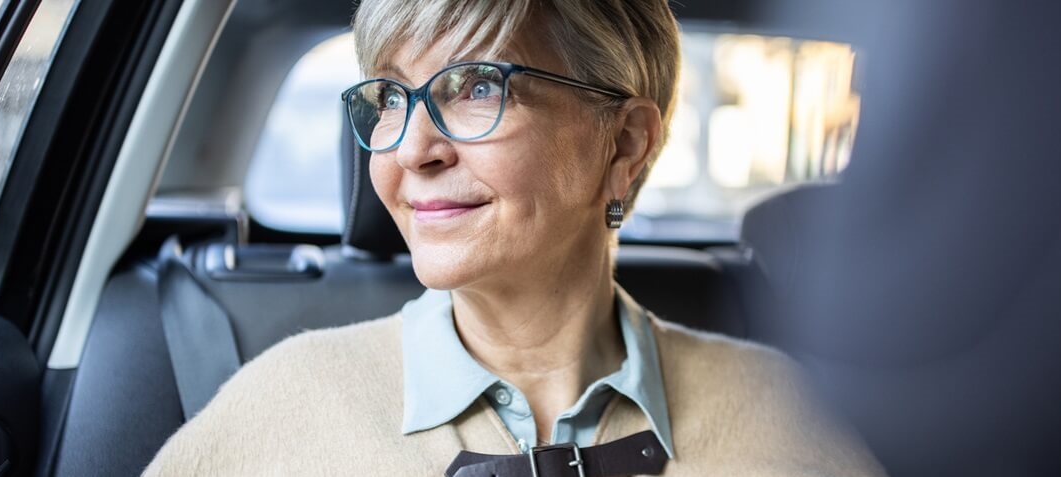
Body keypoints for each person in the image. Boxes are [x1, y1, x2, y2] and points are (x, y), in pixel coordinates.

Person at [145, 0, 881, 475]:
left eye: (476, 87)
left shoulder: (788, 417)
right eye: (392, 96)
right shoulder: (282, 407)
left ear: (622, 144)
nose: (411, 148)